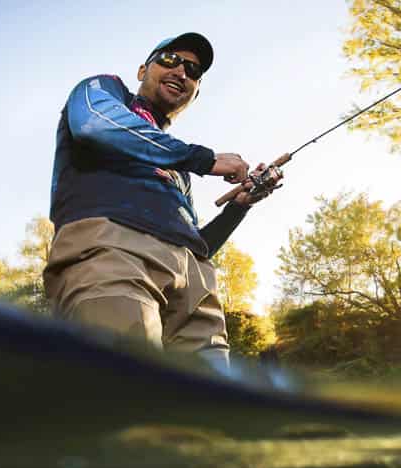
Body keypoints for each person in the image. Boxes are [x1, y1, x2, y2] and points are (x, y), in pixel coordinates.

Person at [43, 32, 280, 369]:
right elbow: (94, 124)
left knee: (209, 407)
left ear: (195, 93)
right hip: (112, 248)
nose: (182, 72)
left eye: (194, 71)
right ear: (143, 70)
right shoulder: (105, 90)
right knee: (125, 387)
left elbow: (198, 244)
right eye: (170, 60)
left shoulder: (179, 168)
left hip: (196, 285)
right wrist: (204, 159)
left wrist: (239, 206)